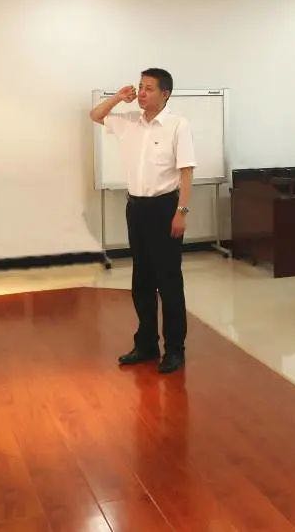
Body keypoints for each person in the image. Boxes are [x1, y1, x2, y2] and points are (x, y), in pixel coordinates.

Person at [89, 69, 196, 374]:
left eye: (149, 88)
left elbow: (186, 171)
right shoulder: (129, 122)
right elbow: (95, 115)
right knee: (142, 280)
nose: (142, 93)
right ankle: (147, 344)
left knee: (169, 281)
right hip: (136, 209)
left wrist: (181, 212)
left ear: (165, 94)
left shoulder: (178, 125)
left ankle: (174, 349)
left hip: (165, 208)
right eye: (140, 87)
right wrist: (117, 98)